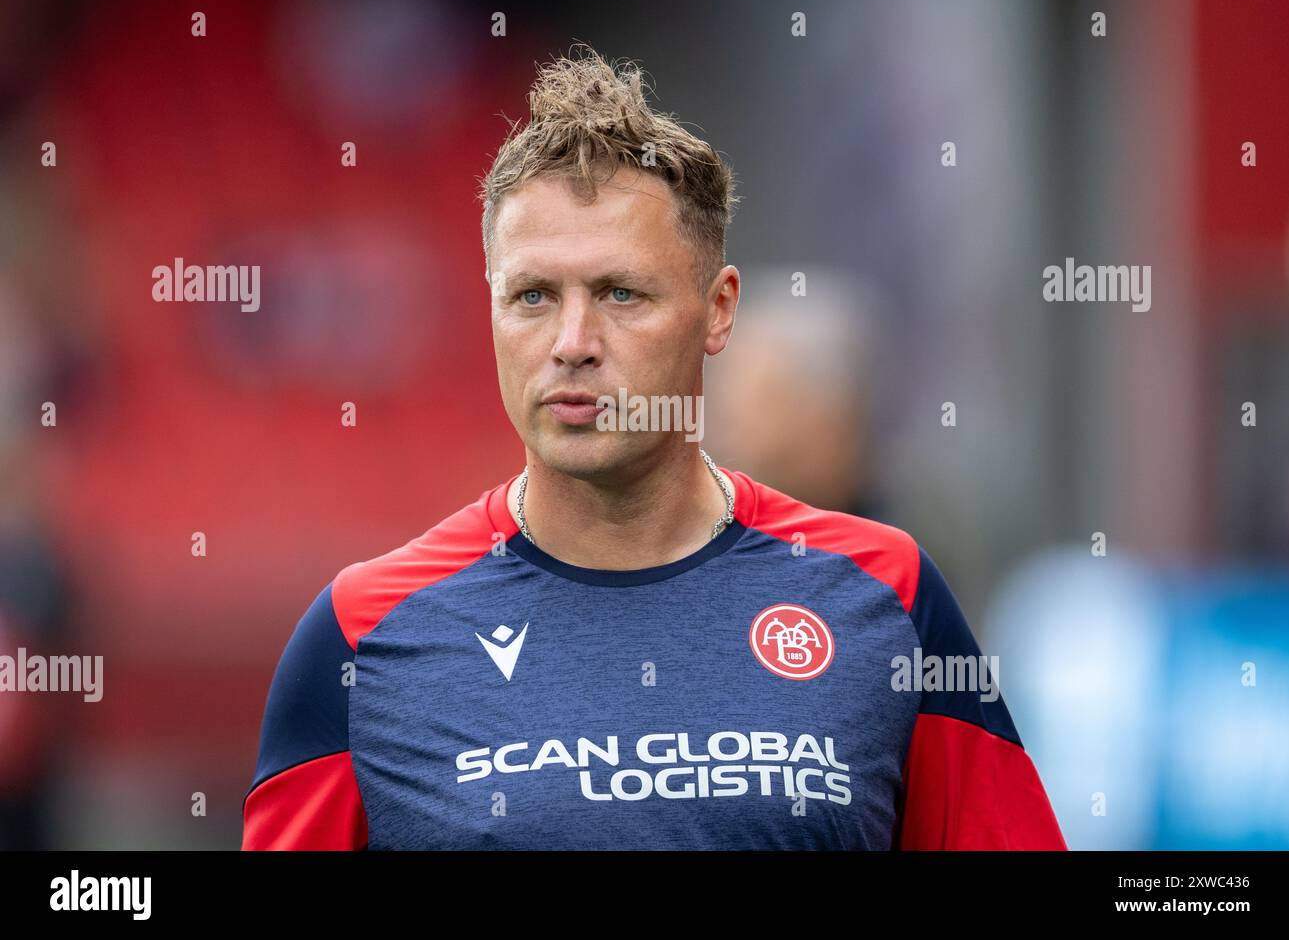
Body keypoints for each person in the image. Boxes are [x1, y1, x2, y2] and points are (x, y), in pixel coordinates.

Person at [241, 44, 1066, 850]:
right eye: (532, 296)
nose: (572, 341)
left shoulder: (889, 595)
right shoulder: (360, 636)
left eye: (620, 293)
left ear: (718, 310)